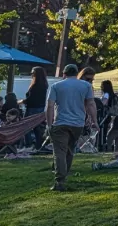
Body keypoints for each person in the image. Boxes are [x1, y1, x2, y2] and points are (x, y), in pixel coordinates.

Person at [44, 63, 98, 191]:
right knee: (69, 151)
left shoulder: (56, 86)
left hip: (60, 123)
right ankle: (64, 175)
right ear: (76, 73)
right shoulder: (86, 86)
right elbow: (91, 103)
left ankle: (60, 181)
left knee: (59, 152)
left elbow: (50, 106)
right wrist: (94, 120)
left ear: (64, 74)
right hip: (77, 124)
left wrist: (49, 124)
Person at [22, 65, 50, 146]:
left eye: (33, 73)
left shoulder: (34, 86)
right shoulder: (44, 85)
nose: (31, 75)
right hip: (40, 108)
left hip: (32, 108)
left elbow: (31, 99)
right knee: (37, 127)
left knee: (25, 127)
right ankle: (39, 144)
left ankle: (28, 144)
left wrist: (22, 101)